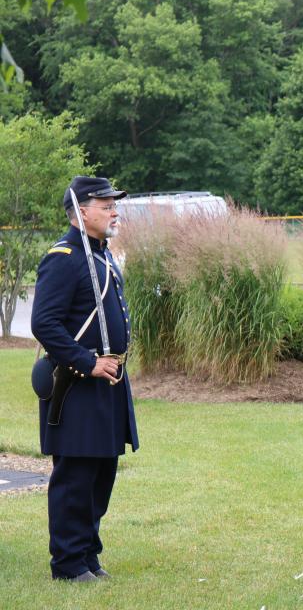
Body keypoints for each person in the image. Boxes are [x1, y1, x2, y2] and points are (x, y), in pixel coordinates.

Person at [31, 175, 139, 582]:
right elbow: (44, 322)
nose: (114, 211)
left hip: (107, 382)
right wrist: (86, 361)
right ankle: (67, 563)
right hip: (77, 383)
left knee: (100, 475)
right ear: (80, 211)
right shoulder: (64, 256)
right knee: (75, 477)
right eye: (105, 204)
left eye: (114, 204)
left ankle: (88, 554)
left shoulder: (103, 255)